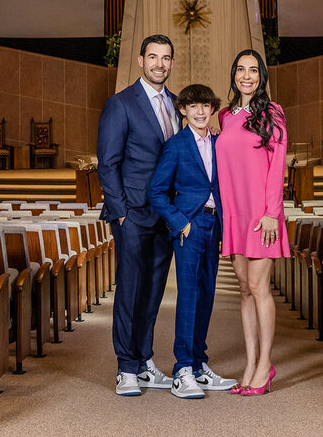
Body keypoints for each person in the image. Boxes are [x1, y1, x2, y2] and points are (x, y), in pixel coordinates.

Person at [96, 34, 179, 396]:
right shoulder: (120, 104)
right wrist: (121, 213)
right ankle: (125, 367)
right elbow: (108, 162)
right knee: (130, 289)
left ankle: (144, 361)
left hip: (166, 216)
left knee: (154, 291)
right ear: (142, 61)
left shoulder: (179, 105)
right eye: (153, 57)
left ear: (171, 63)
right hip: (132, 213)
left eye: (166, 58)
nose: (160, 63)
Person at [148, 83, 240, 398]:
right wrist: (180, 222)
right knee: (188, 297)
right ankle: (182, 369)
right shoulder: (175, 146)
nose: (200, 112)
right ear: (183, 110)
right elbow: (157, 191)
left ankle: (200, 366)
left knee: (206, 294)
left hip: (214, 225)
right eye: (193, 107)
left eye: (206, 106)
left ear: (212, 109)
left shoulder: (219, 142)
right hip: (190, 225)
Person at [215, 48, 290, 395]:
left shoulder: (272, 113)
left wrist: (272, 213)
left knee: (260, 289)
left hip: (262, 216)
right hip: (235, 214)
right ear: (234, 75)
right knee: (245, 290)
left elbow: (277, 166)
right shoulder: (225, 115)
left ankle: (265, 366)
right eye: (241, 70)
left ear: (261, 77)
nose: (247, 76)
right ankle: (250, 363)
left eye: (253, 71)